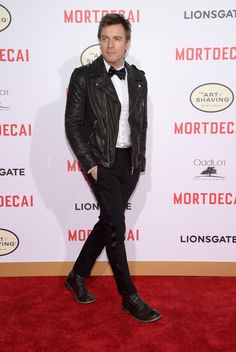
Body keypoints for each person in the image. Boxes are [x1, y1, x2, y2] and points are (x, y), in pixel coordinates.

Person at [65, 13, 161, 323]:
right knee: (117, 227)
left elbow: (140, 123)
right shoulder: (83, 76)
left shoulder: (138, 77)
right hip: (100, 162)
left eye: (117, 38)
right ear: (99, 41)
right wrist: (90, 164)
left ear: (127, 43)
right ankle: (129, 297)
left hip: (128, 162)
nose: (110, 44)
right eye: (105, 38)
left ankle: (77, 275)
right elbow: (73, 125)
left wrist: (139, 162)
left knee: (108, 221)